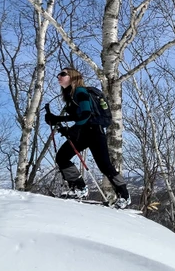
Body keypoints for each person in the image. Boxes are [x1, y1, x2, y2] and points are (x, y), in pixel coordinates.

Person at [44, 67, 131, 209]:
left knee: (104, 165)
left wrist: (72, 128)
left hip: (94, 132)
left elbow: (86, 114)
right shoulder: (71, 94)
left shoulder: (80, 92)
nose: (58, 76)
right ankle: (79, 188)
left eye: (63, 74)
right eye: (58, 74)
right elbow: (79, 116)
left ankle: (124, 196)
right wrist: (57, 119)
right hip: (85, 132)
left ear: (72, 77)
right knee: (62, 157)